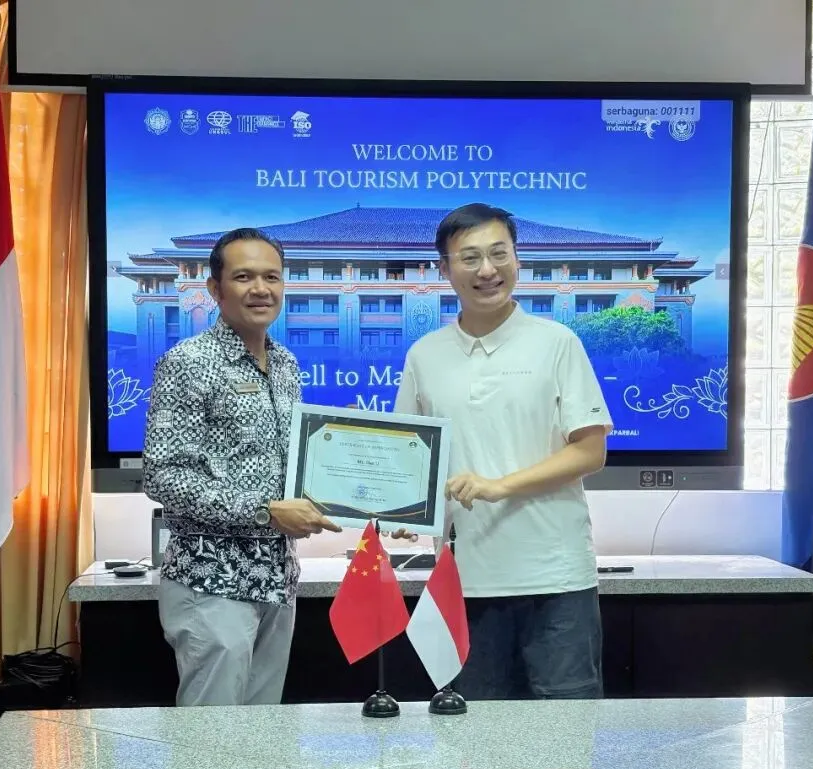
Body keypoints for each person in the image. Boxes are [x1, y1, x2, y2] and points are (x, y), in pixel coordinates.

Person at [393, 203, 612, 700]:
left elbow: (590, 451)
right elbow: (410, 458)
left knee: (566, 725)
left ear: (517, 260)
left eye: (499, 254)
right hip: (465, 580)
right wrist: (400, 510)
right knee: (475, 730)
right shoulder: (424, 355)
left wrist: (498, 486)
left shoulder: (557, 343)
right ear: (444, 269)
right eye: (469, 258)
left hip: (556, 577)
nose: (487, 270)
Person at [143, 227, 341, 707]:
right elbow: (163, 475)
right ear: (215, 289)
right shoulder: (188, 362)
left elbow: (290, 466)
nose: (261, 289)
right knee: (213, 737)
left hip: (276, 579)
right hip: (211, 580)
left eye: (272, 277)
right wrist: (266, 511)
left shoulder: (286, 364)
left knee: (261, 735)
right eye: (244, 277)